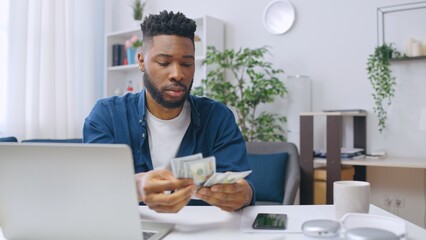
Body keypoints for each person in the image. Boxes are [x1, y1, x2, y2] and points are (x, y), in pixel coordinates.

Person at [83, 10, 254, 213]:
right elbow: (96, 189)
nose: (178, 74)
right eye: (164, 63)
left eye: (187, 63)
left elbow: (242, 186)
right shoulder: (107, 116)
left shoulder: (217, 117)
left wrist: (243, 194)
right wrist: (135, 187)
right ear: (140, 61)